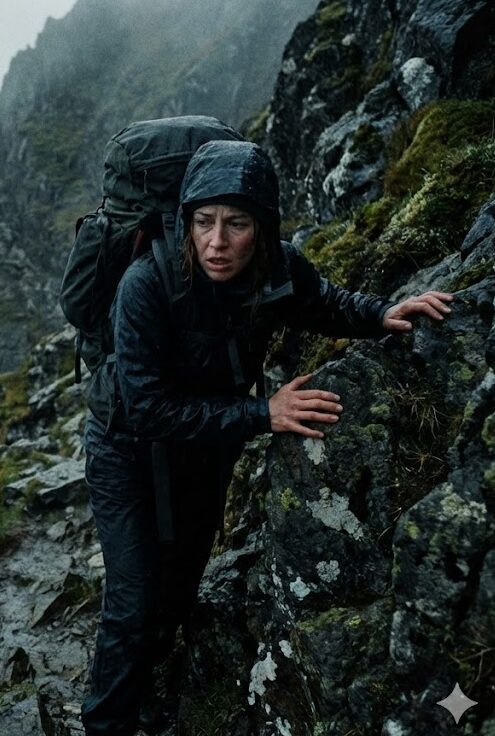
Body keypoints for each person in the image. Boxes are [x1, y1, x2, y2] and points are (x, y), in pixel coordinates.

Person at [80, 139, 453, 736]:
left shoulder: (277, 264)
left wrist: (383, 312)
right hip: (126, 446)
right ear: (185, 220)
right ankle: (106, 722)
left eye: (237, 224)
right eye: (203, 222)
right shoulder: (145, 285)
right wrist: (261, 413)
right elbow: (146, 408)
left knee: (180, 582)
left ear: (263, 225)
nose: (216, 243)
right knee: (131, 598)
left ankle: (145, 689)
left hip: (204, 448)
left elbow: (323, 302)